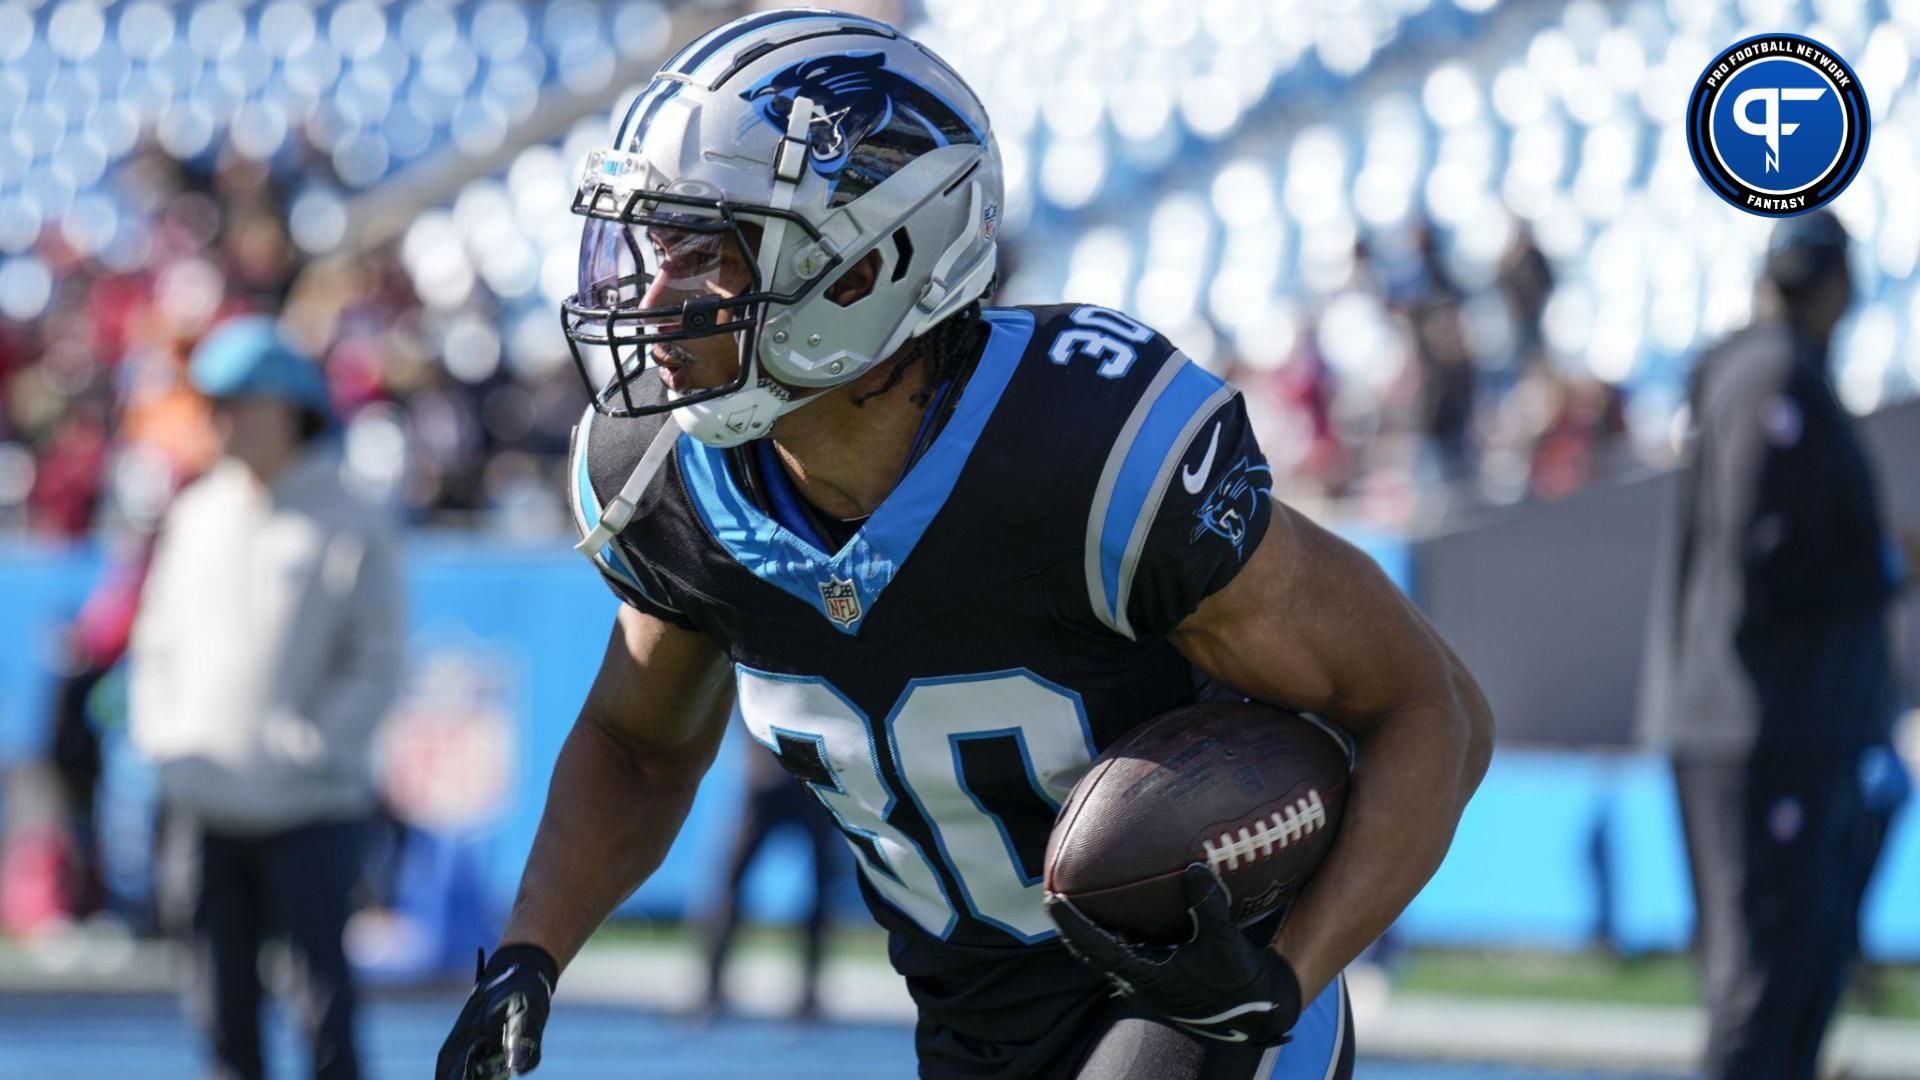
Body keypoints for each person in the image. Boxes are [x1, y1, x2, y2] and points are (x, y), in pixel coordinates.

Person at [437, 12, 1492, 1080]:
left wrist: (1281, 982)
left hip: (1191, 1002)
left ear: (863, 268)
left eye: (703, 258)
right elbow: (639, 747)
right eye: (653, 254)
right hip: (971, 1028)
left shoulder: (1087, 455)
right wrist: (532, 953)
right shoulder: (671, 477)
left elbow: (1431, 708)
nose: (651, 302)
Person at [1648, 210, 1919, 1080]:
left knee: (1795, 982)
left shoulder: (1770, 372)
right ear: (1837, 287)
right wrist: (1884, 558)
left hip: (1775, 728)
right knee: (1763, 990)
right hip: (1763, 731)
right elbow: (1768, 554)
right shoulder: (1773, 376)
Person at [131, 317, 404, 1080]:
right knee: (220, 1021)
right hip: (204, 800)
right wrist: (165, 737)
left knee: (325, 1017)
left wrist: (314, 745)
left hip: (311, 808)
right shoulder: (194, 514)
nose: (222, 419)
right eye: (214, 403)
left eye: (239, 401)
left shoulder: (352, 518)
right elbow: (155, 644)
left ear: (289, 406)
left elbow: (377, 657)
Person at [698, 741, 846, 1020]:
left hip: (800, 779)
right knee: (733, 882)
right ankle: (712, 989)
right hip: (783, 778)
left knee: (821, 887)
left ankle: (809, 994)